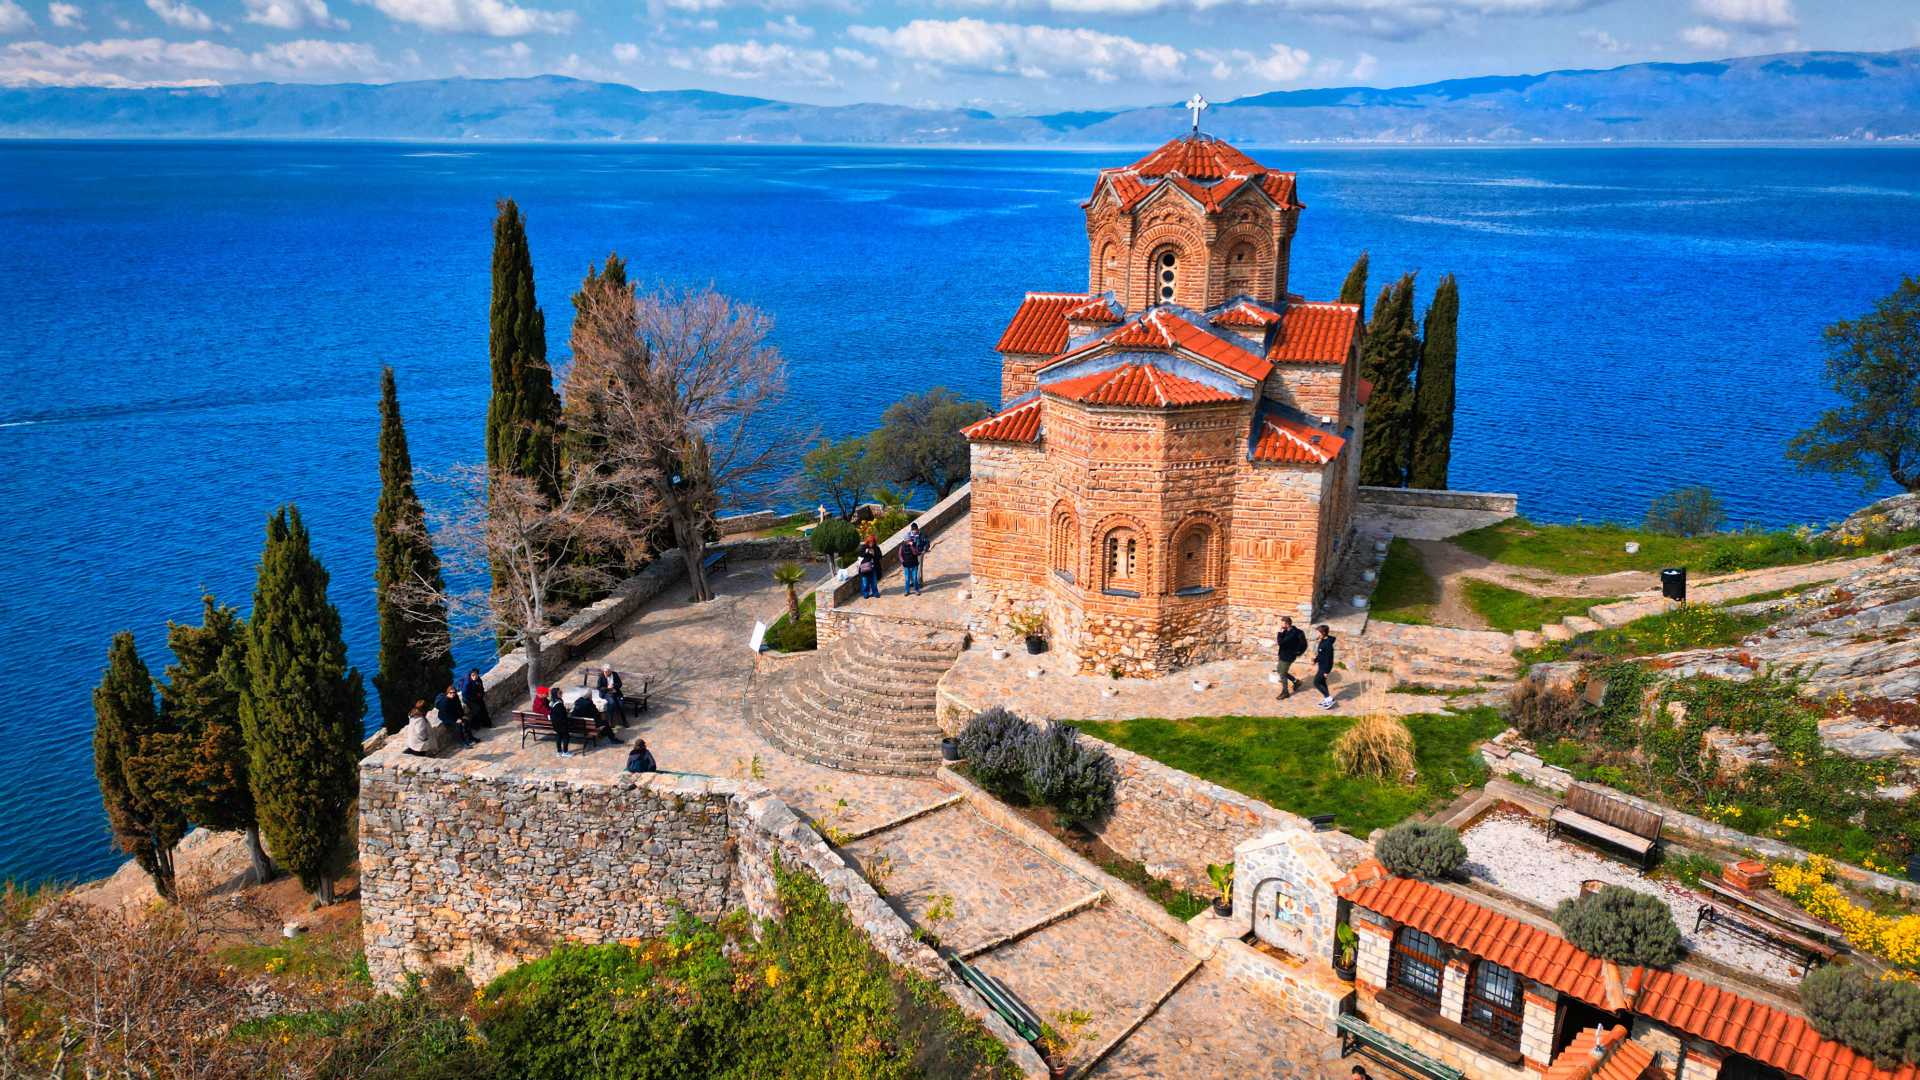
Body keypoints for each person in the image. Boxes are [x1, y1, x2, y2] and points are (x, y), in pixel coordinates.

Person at [1275, 616, 1307, 700]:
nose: (1280, 625)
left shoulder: (1292, 634)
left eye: (1282, 623)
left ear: (1286, 624)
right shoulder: (1288, 630)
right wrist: (1282, 632)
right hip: (1283, 655)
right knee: (1279, 670)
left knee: (1282, 673)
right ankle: (1296, 682)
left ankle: (1285, 692)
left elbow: (1280, 642)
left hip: (1288, 656)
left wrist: (1279, 632)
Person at [434, 682, 475, 747]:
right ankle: (462, 742)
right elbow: (446, 714)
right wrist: (456, 720)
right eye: (451, 693)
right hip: (446, 717)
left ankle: (470, 737)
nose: (453, 694)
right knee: (458, 725)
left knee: (466, 721)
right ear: (447, 693)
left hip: (454, 714)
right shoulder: (444, 702)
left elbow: (459, 706)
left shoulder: (455, 697)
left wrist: (462, 715)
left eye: (454, 692)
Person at [1312, 624, 1337, 710]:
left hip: (1324, 667)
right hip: (1321, 665)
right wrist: (1315, 660)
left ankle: (1330, 699)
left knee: (1316, 682)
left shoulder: (1328, 644)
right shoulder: (1323, 640)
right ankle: (1327, 699)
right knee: (1322, 682)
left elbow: (1330, 659)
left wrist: (1327, 671)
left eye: (1318, 632)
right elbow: (1321, 654)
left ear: (1323, 633)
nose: (1317, 634)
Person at [547, 686, 573, 757]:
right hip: (561, 724)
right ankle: (565, 752)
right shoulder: (559, 704)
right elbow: (562, 715)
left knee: (558, 736)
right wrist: (567, 713)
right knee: (566, 737)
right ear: (556, 694)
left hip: (555, 723)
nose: (561, 693)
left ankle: (559, 751)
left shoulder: (552, 702)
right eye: (560, 693)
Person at [898, 531, 923, 596]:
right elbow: (900, 555)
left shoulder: (913, 545)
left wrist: (912, 546)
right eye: (907, 540)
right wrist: (902, 562)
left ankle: (916, 590)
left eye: (909, 539)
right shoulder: (902, 547)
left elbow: (916, 553)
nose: (909, 541)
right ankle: (907, 591)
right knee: (907, 579)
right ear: (905, 540)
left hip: (914, 564)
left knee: (914, 578)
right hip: (906, 565)